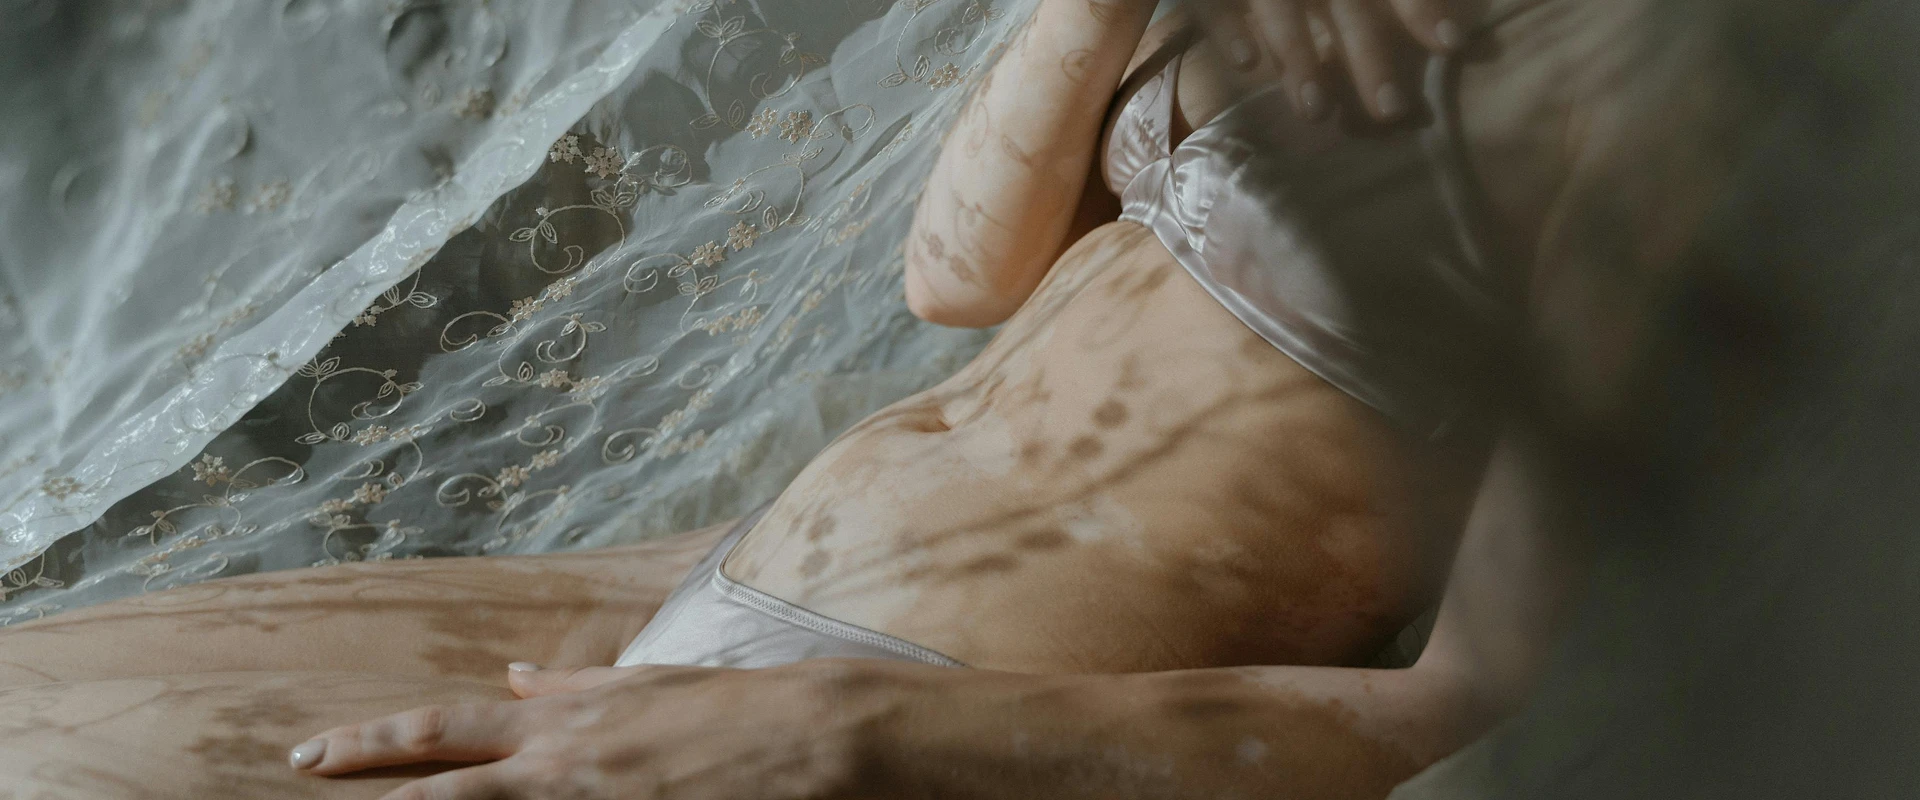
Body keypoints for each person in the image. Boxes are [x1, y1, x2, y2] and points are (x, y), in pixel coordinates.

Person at [0, 0, 1740, 796]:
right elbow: (958, 277)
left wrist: (834, 738)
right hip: (710, 573)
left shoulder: (1674, 74)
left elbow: (1474, 696)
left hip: (916, 697)